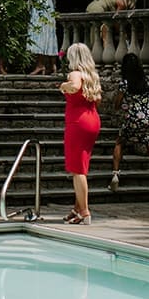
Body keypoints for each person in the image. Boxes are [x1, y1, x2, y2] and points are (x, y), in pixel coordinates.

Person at [108, 52, 149, 204]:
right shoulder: (146, 81)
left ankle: (115, 175)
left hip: (133, 119)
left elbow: (118, 102)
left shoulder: (125, 83)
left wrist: (120, 106)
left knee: (119, 143)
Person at [60, 42, 103, 225]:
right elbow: (98, 99)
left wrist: (64, 86)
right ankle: (77, 208)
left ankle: (84, 212)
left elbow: (75, 86)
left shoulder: (75, 74)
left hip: (78, 122)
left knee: (77, 169)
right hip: (92, 119)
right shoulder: (92, 75)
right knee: (81, 165)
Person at [28, 0, 59, 74]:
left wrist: (29, 8)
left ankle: (40, 65)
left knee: (39, 35)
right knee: (50, 35)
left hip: (40, 8)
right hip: (49, 8)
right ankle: (53, 65)